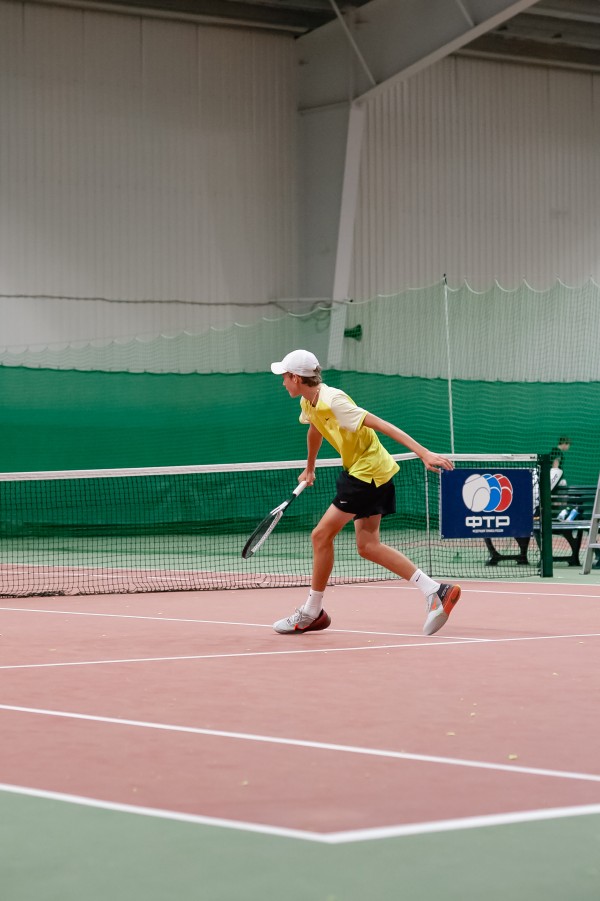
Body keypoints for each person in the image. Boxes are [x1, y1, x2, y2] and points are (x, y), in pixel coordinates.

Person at [269, 349, 461, 636]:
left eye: (284, 377)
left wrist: (423, 453)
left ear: (296, 378)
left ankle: (311, 612)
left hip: (366, 472)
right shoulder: (309, 403)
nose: (282, 382)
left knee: (320, 535)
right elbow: (315, 430)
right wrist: (309, 468)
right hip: (375, 471)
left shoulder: (334, 400)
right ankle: (435, 590)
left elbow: (380, 424)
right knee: (368, 545)